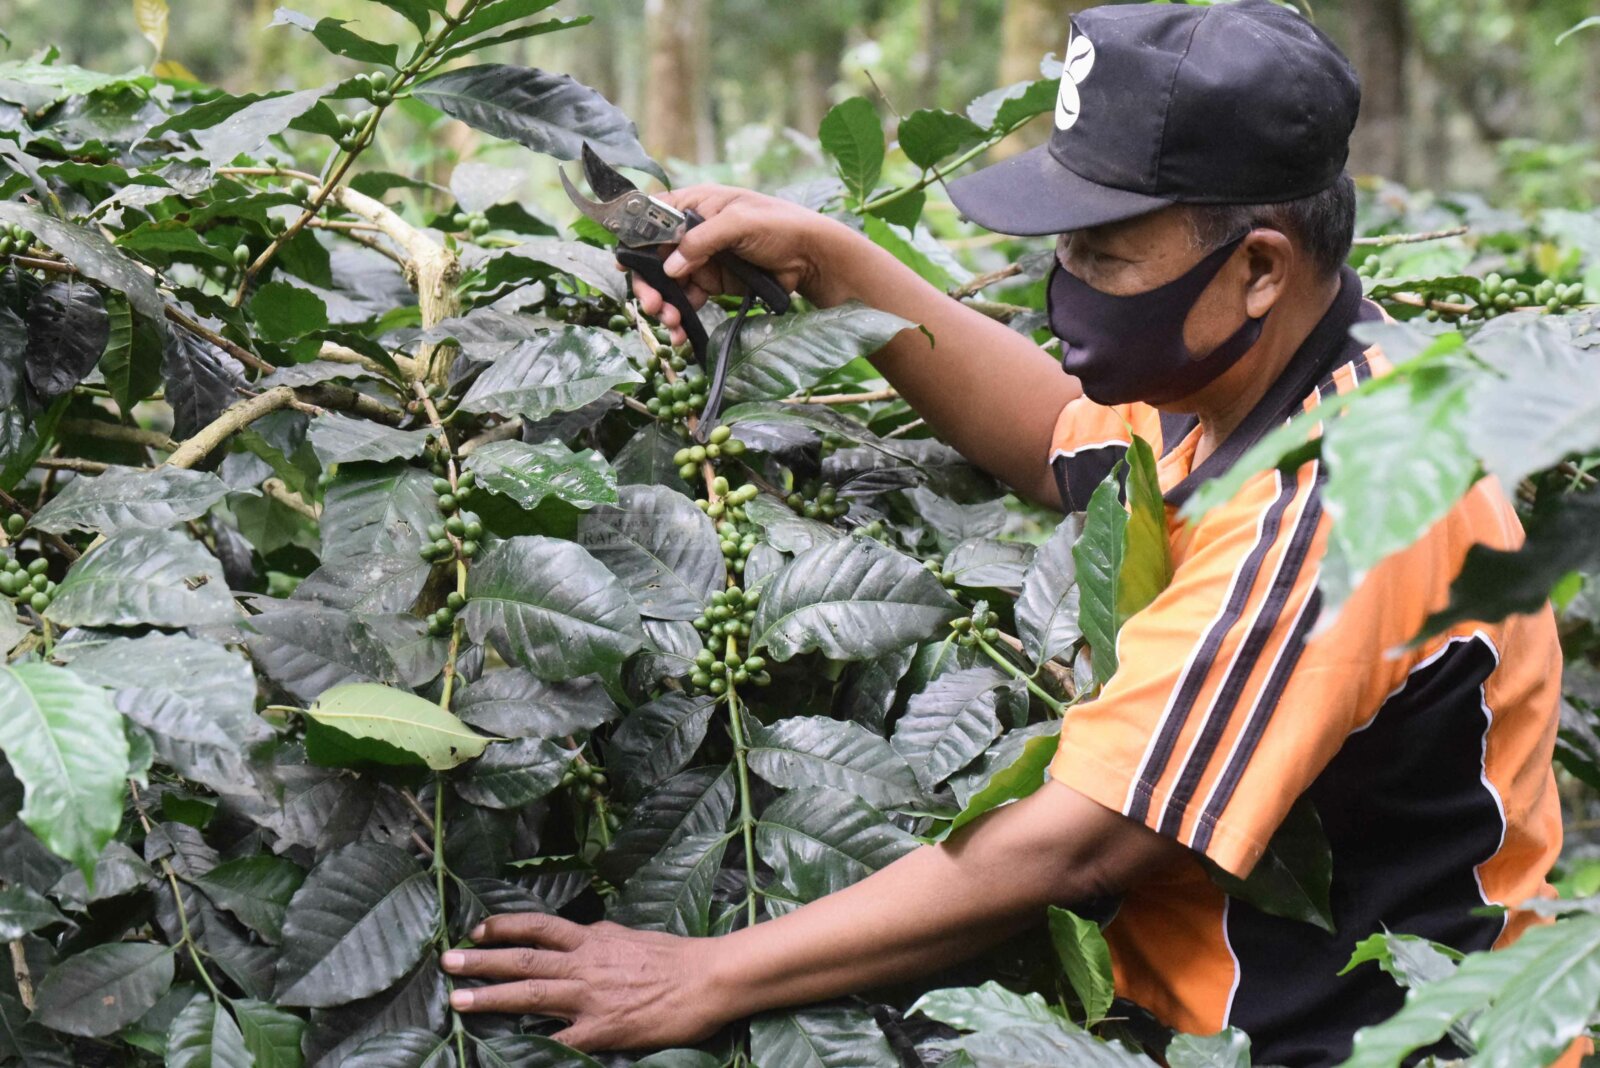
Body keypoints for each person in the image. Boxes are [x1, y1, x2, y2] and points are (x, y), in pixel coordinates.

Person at [439, 2, 1568, 1064]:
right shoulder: (1256, 375)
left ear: (1260, 269)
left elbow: (1085, 838)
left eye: (1104, 254)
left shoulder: (1342, 501)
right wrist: (827, 259)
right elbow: (1055, 439)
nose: (1066, 284)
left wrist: (705, 971)